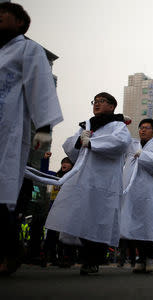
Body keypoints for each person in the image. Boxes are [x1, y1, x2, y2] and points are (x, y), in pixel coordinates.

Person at [0, 2, 63, 275]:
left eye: (2, 16)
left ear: (20, 23)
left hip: (8, 133)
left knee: (3, 193)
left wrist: (43, 130)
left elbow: (42, 90)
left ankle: (9, 252)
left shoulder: (28, 49)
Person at [45, 92, 131, 275]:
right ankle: (82, 257)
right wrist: (79, 140)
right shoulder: (87, 124)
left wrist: (91, 142)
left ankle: (93, 260)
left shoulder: (118, 126)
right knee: (81, 217)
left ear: (112, 106)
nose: (97, 104)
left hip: (105, 181)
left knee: (98, 220)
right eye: (95, 101)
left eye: (102, 101)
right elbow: (71, 147)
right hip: (84, 179)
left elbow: (121, 143)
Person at [120, 118, 153, 273]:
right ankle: (140, 258)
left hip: (149, 193)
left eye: (146, 128)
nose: (142, 130)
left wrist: (143, 154)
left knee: (148, 226)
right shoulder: (132, 145)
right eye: (141, 127)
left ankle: (150, 258)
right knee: (135, 227)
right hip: (133, 193)